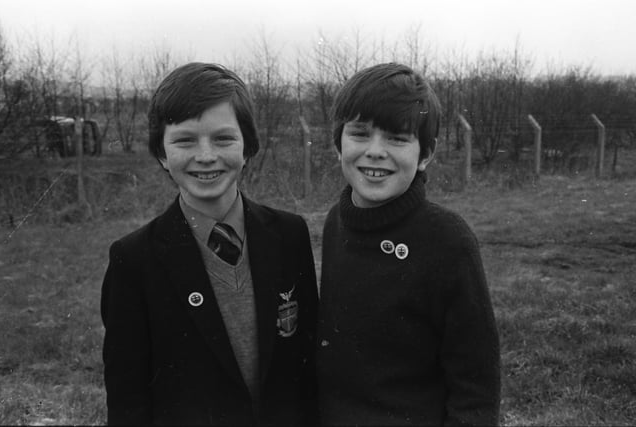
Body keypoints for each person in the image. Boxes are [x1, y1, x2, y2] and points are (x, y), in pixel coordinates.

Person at [101, 62, 319, 425]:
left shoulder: (290, 235)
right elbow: (128, 397)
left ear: (248, 147)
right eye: (185, 140)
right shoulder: (134, 260)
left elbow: (306, 364)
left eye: (223, 138)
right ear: (161, 153)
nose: (205, 155)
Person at [316, 63, 500, 426]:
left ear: (426, 154)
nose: (375, 151)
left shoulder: (448, 240)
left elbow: (475, 382)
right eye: (360, 134)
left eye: (397, 138)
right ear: (338, 144)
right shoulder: (335, 222)